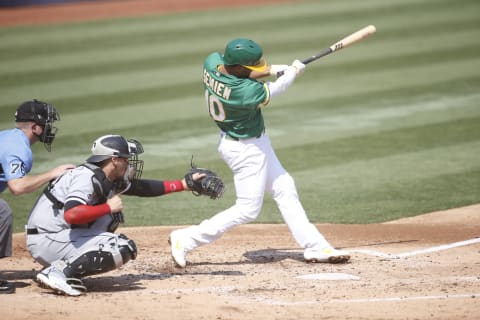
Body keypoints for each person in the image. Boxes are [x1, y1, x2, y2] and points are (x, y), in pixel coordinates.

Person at [169, 38, 350, 268]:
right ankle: (185, 239)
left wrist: (274, 69)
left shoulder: (212, 62)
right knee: (247, 209)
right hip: (246, 150)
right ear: (238, 67)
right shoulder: (243, 93)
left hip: (246, 142)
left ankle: (315, 245)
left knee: (285, 187)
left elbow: (242, 75)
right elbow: (275, 89)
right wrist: (293, 72)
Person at [26, 134, 204, 296]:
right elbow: (72, 214)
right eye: (126, 159)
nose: (129, 163)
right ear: (114, 160)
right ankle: (57, 273)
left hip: (58, 237)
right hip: (47, 239)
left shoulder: (107, 178)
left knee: (110, 220)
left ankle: (64, 267)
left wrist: (183, 184)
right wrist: (107, 207)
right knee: (120, 246)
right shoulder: (85, 177)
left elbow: (141, 187)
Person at [0, 99, 74, 294]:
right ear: (35, 127)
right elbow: (17, 187)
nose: (49, 128)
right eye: (46, 124)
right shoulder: (17, 147)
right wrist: (51, 173)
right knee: (2, 212)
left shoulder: (9, 137)